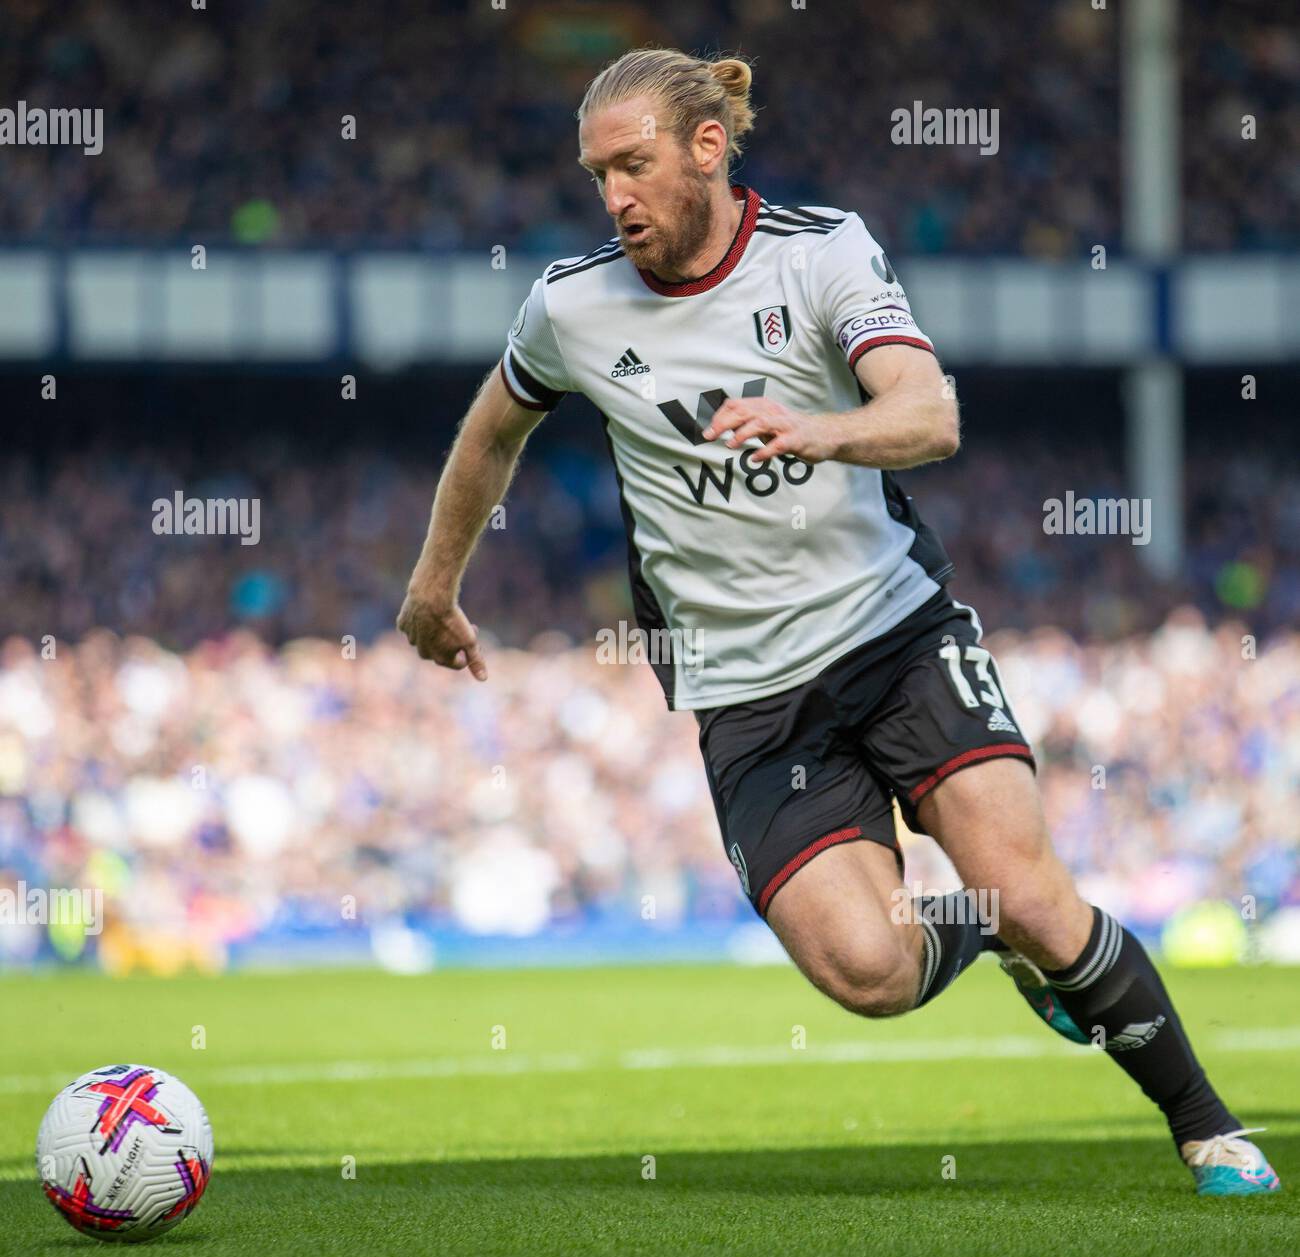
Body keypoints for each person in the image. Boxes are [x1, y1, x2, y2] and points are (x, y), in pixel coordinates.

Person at [398, 47, 1277, 1196]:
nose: (614, 196)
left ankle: (1210, 1131)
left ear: (706, 150)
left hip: (894, 633)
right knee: (870, 972)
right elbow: (492, 431)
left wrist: (824, 429)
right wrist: (432, 585)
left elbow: (928, 412)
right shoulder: (569, 302)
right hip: (745, 692)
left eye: (635, 164)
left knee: (1029, 886)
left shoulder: (820, 252)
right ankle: (988, 930)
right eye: (596, 174)